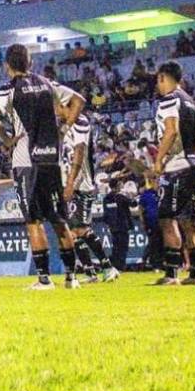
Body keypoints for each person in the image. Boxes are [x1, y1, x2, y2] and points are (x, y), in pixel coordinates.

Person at [0, 43, 84, 290]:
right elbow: (78, 100)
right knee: (59, 219)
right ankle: (72, 278)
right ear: (30, 63)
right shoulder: (47, 84)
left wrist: (7, 138)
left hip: (26, 160)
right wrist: (63, 130)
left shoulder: (9, 89)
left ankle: (44, 279)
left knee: (34, 221)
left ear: (7, 65)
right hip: (51, 158)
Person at [149, 61, 195, 286]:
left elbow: (170, 131)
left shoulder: (169, 100)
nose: (157, 85)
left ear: (163, 77)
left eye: (157, 80)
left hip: (176, 167)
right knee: (190, 221)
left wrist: (158, 159)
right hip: (193, 164)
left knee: (166, 219)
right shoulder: (191, 103)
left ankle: (171, 274)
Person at [62, 111, 117, 282]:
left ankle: (108, 267)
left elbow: (79, 155)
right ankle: (90, 272)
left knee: (81, 229)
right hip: (68, 184)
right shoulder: (62, 129)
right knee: (72, 232)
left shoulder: (80, 121)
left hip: (81, 185)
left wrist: (72, 183)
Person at [100, 176, 133, 275]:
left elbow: (105, 214)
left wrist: (109, 225)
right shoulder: (121, 197)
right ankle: (120, 267)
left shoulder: (106, 198)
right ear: (118, 186)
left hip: (113, 227)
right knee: (123, 247)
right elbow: (133, 203)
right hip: (123, 226)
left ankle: (114, 266)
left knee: (115, 247)